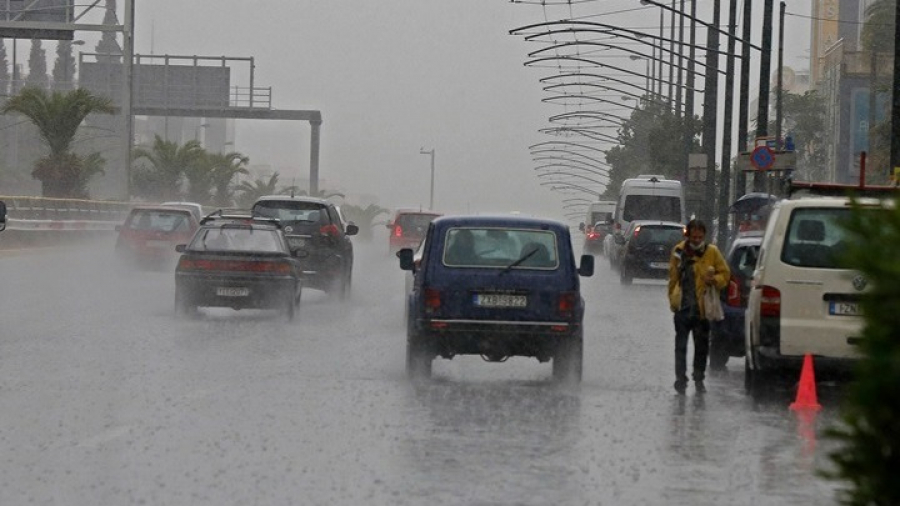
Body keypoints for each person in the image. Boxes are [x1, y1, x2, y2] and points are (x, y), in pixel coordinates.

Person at [667, 219, 730, 395]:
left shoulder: (712, 252)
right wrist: (672, 300)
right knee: (680, 347)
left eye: (700, 237)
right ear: (688, 235)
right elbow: (672, 278)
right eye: (693, 236)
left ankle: (698, 378)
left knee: (701, 347)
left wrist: (715, 280)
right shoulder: (679, 251)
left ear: (704, 236)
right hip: (683, 308)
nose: (696, 240)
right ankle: (680, 379)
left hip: (703, 310)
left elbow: (725, 274)